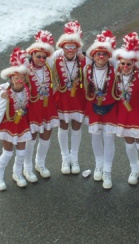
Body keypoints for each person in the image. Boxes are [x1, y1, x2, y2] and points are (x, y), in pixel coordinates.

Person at [0, 48, 32, 191]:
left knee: (22, 152)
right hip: (8, 126)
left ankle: (17, 174)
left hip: (22, 124)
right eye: (16, 77)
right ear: (11, 78)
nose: (20, 80)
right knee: (7, 152)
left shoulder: (26, 89)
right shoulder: (6, 92)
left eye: (22, 77)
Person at [112, 32, 139, 186]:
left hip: (137, 112)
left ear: (134, 64)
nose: (125, 67)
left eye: (128, 64)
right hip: (123, 113)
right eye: (122, 63)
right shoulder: (117, 74)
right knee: (129, 143)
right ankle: (134, 168)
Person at [23, 30, 59, 182]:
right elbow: (9, 83)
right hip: (33, 109)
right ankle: (27, 167)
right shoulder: (25, 70)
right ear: (32, 55)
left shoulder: (49, 66)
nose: (42, 59)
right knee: (31, 137)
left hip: (47, 106)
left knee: (46, 135)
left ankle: (40, 163)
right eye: (38, 56)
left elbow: (63, 53)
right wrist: (1, 91)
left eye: (44, 56)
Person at [84, 30, 118, 190]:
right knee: (96, 135)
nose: (101, 57)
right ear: (93, 55)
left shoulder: (115, 67)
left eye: (104, 54)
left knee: (109, 138)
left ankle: (107, 170)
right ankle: (98, 164)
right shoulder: (87, 68)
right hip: (93, 107)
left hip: (110, 107)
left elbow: (133, 66)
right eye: (98, 54)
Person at [53, 21, 86, 174]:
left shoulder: (84, 60)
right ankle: (64, 158)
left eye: (74, 47)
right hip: (62, 99)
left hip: (78, 99)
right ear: (62, 48)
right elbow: (34, 65)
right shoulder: (56, 60)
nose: (71, 50)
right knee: (63, 126)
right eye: (67, 47)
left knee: (77, 127)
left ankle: (75, 157)